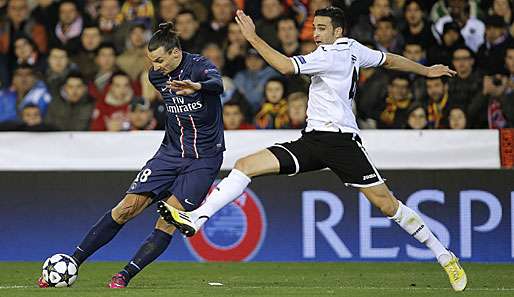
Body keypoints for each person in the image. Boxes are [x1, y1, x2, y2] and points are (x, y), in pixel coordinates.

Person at [157, 7, 467, 292]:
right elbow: (388, 60)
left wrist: (251, 36)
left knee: (388, 206)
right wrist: (425, 70)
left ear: (338, 32)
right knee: (246, 164)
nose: (315, 34)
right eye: (314, 27)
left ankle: (444, 255)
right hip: (313, 140)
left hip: (342, 142)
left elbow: (283, 65)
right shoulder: (354, 49)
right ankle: (197, 218)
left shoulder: (329, 56)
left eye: (321, 28)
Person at [37, 21, 225, 288]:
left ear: (175, 52)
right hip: (169, 154)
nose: (155, 66)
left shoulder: (200, 66)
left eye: (159, 60)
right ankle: (72, 261)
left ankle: (124, 275)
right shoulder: (156, 76)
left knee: (168, 219)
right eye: (152, 61)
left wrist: (197, 87)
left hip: (204, 160)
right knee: (125, 208)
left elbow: (217, 84)